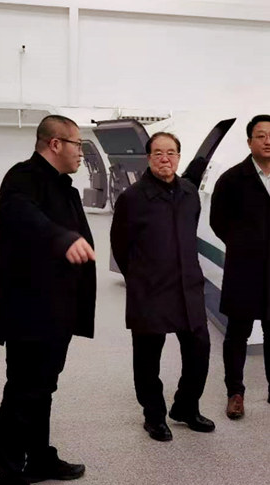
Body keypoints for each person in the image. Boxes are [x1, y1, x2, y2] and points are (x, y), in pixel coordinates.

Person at [0, 115, 96, 485]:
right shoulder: (23, 178)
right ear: (55, 144)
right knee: (22, 393)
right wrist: (61, 237)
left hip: (56, 309)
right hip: (29, 310)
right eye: (78, 145)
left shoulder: (62, 186)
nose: (81, 153)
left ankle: (39, 458)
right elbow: (24, 216)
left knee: (43, 387)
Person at [110, 132, 215, 442]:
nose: (165, 158)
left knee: (199, 349)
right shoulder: (132, 198)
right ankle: (153, 415)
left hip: (187, 285)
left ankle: (186, 407)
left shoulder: (189, 193)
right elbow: (120, 245)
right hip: (150, 288)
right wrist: (139, 278)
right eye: (158, 153)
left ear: (179, 157)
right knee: (147, 357)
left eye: (171, 152)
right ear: (149, 158)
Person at [210, 114, 270, 420]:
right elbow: (218, 221)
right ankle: (235, 393)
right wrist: (244, 246)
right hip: (243, 268)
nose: (268, 141)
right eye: (261, 136)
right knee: (237, 332)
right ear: (249, 141)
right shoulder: (231, 180)